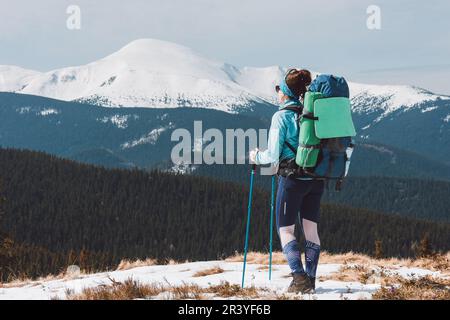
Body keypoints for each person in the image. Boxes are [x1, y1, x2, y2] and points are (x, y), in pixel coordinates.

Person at [249, 69, 324, 294]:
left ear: (286, 92)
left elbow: (272, 156)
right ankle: (310, 279)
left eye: (279, 88)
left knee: (286, 229)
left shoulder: (281, 116)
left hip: (292, 180)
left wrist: (255, 156)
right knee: (311, 230)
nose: (278, 92)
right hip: (316, 179)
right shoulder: (311, 113)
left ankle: (299, 277)